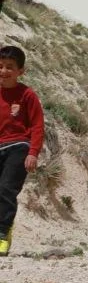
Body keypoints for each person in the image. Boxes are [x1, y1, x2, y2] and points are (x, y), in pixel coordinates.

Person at [0, 46, 44, 256]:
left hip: (19, 147)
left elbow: (37, 125)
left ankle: (2, 234)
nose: (4, 71)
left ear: (21, 71)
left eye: (9, 67)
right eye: (0, 66)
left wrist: (33, 152)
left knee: (6, 189)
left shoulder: (27, 95)